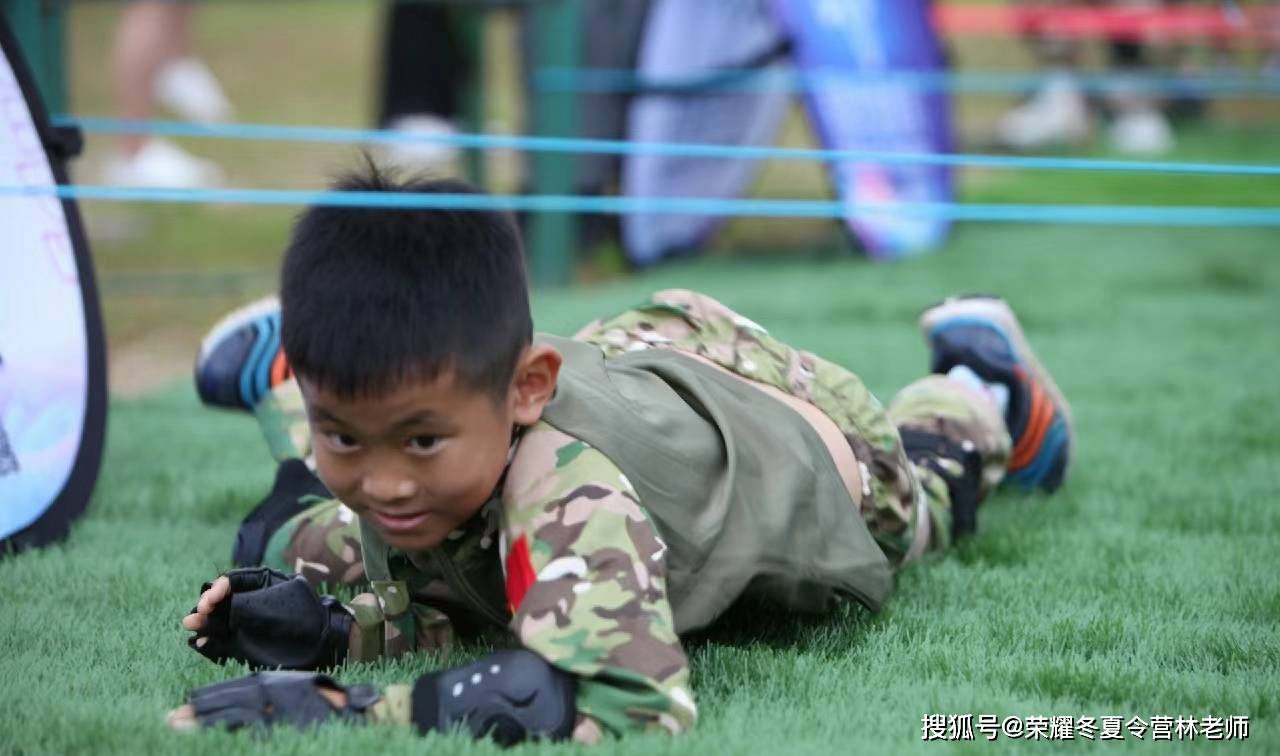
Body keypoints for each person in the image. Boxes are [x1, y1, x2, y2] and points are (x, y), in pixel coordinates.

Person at [170, 166, 1073, 743]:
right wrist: (336, 628)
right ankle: (280, 381)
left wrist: (342, 703)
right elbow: (479, 593)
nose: (388, 479)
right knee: (294, 544)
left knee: (933, 497)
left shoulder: (569, 489)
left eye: (420, 438)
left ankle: (976, 384)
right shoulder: (456, 428)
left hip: (812, 443)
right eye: (340, 431)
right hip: (629, 360)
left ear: (525, 387)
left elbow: (627, 705)